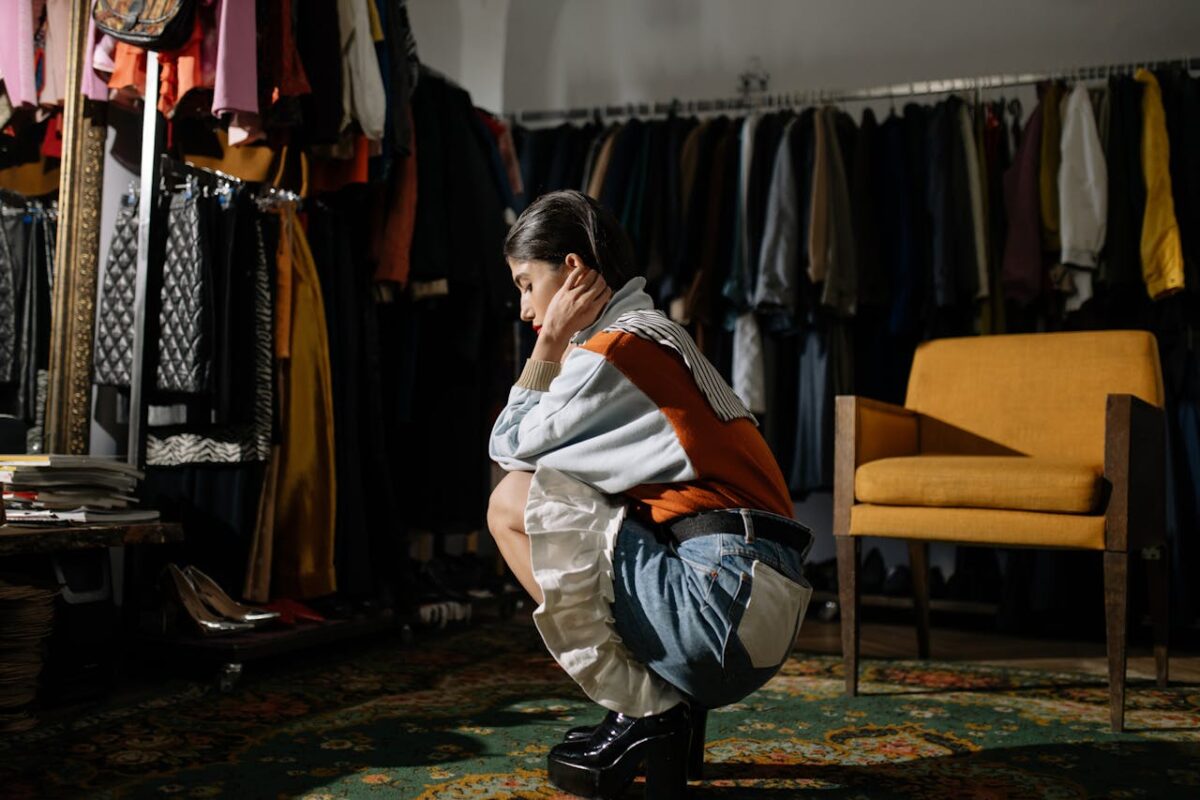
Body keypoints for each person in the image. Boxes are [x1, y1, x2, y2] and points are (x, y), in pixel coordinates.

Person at [487, 190, 812, 799]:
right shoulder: (652, 334)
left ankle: (644, 708)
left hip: (724, 610)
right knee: (585, 490)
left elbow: (507, 447)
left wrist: (547, 346)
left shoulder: (615, 353)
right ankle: (664, 713)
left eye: (528, 284)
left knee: (511, 502)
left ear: (575, 271)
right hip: (751, 596)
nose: (527, 307)